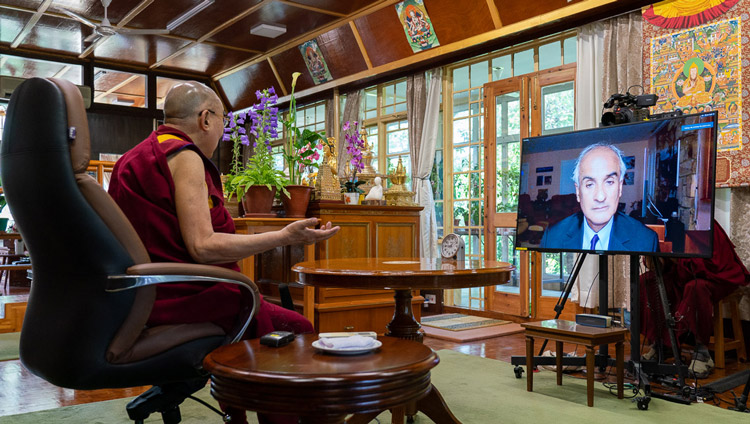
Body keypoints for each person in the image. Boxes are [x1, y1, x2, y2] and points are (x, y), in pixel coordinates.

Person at [108, 81, 339, 424]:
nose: (221, 131)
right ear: (205, 118)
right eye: (222, 121)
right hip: (186, 296)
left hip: (141, 298)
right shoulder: (184, 156)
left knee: (262, 310)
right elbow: (203, 247)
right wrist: (283, 236)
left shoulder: (132, 158)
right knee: (297, 329)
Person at [639, 221, 750, 378]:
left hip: (716, 276)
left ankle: (702, 351)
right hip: (683, 274)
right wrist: (657, 258)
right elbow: (663, 263)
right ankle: (663, 343)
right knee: (647, 281)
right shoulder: (664, 222)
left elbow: (709, 265)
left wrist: (676, 257)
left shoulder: (704, 223)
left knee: (695, 287)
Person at [540, 143, 659, 252]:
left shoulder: (647, 241)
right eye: (590, 184)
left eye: (609, 182)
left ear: (620, 188)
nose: (600, 197)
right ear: (578, 192)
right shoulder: (552, 237)